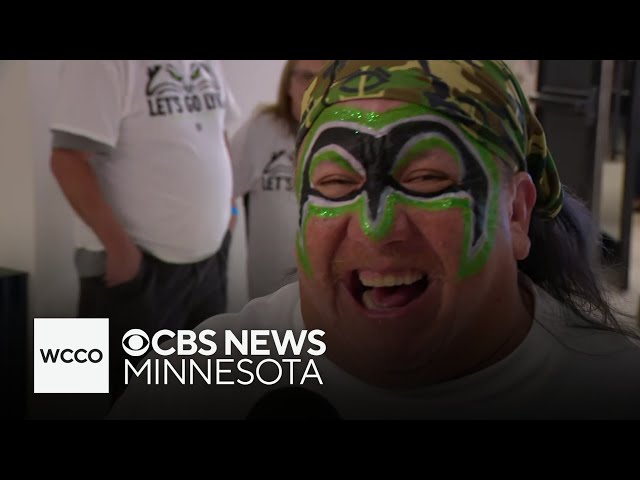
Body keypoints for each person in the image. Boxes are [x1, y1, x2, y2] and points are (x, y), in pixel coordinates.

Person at [111, 60, 640, 420]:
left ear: (518, 214)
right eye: (336, 183)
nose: (376, 225)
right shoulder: (203, 376)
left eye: (427, 180)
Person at [50, 60, 240, 403]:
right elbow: (66, 159)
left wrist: (229, 210)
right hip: (136, 274)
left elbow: (218, 131)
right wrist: (120, 249)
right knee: (104, 400)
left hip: (208, 264)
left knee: (201, 398)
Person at [230, 60, 326, 299]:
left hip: (325, 287)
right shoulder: (262, 129)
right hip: (270, 289)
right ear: (288, 83)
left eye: (323, 78)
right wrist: (229, 220)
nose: (313, 87)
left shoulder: (345, 130)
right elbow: (223, 191)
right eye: (306, 77)